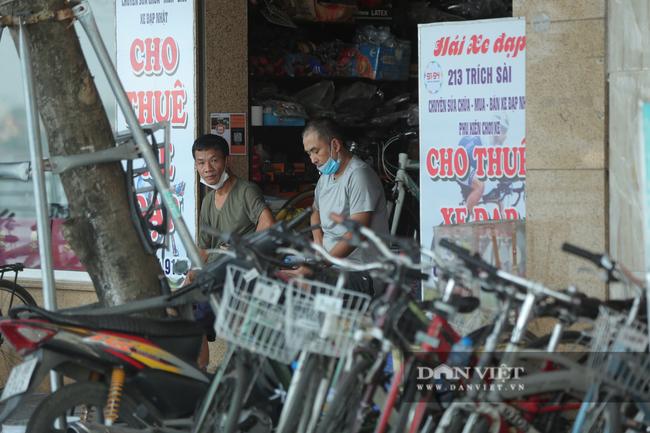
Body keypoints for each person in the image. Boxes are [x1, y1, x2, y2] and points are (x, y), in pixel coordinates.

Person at [189, 133, 276, 367]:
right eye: (201, 162)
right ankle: (200, 374)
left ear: (228, 161)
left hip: (238, 275)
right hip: (213, 275)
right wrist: (192, 272)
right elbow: (205, 248)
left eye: (214, 160)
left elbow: (268, 223)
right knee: (181, 306)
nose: (207, 168)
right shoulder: (208, 201)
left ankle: (202, 379)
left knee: (198, 314)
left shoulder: (247, 191)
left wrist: (244, 247)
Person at [283, 117, 389, 297]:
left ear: (335, 145)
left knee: (299, 288)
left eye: (315, 151)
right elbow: (315, 210)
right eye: (309, 153)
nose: (313, 159)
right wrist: (318, 243)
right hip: (331, 264)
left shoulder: (359, 176)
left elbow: (357, 234)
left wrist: (322, 263)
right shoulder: (326, 176)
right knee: (279, 274)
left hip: (362, 273)